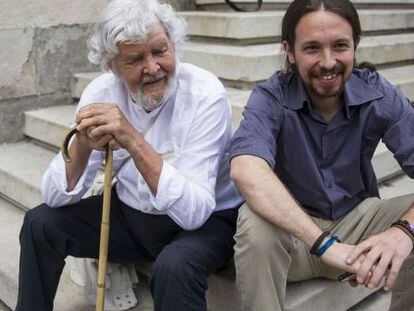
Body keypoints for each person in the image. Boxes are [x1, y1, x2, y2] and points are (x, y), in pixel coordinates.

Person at [16, 0, 243, 310]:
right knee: (39, 223)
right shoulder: (102, 92)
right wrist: (82, 144)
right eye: (135, 59)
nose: (152, 68)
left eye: (160, 50)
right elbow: (55, 196)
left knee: (174, 268)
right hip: (131, 216)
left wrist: (132, 140)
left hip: (206, 223)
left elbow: (194, 212)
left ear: (173, 45)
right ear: (112, 66)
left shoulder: (205, 94)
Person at [229, 0, 414, 310]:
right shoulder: (271, 97)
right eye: (312, 48)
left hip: (359, 232)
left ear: (355, 46)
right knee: (253, 224)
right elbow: (245, 170)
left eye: (340, 45)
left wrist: (404, 231)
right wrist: (324, 244)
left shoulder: (379, 94)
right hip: (293, 240)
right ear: (289, 50)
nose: (328, 62)